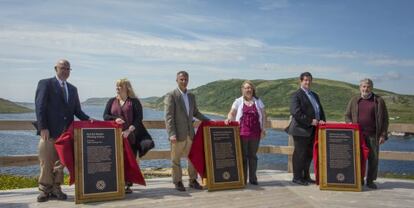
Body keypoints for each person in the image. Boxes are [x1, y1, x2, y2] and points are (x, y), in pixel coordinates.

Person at [35, 59, 91, 202]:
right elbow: (40, 106)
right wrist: (43, 127)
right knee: (46, 161)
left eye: (68, 69)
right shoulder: (45, 83)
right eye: (62, 68)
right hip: (49, 132)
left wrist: (89, 120)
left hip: (66, 133)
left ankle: (56, 188)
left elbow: (77, 111)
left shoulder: (73, 89)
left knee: (60, 163)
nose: (65, 71)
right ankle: (44, 189)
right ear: (56, 68)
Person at [164, 71, 210, 191]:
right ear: (177, 80)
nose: (184, 81)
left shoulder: (191, 96)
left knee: (192, 158)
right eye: (181, 79)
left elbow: (195, 113)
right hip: (177, 134)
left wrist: (209, 121)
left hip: (190, 134)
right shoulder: (171, 95)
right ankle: (178, 181)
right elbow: (168, 117)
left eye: (186, 79)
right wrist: (171, 134)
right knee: (175, 160)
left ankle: (193, 180)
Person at [103, 78, 146, 194]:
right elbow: (105, 116)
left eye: (120, 86)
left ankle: (127, 184)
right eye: (117, 86)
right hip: (114, 137)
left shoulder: (134, 102)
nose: (117, 88)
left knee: (129, 160)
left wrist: (128, 131)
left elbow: (138, 119)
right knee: (115, 160)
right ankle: (116, 183)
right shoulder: (111, 101)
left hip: (130, 136)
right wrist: (114, 119)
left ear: (127, 88)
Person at [345, 78, 389, 189]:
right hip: (357, 136)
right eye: (364, 86)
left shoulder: (378, 100)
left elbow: (385, 119)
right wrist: (350, 123)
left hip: (373, 135)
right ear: (360, 87)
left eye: (368, 86)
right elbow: (347, 115)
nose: (366, 89)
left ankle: (370, 180)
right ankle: (359, 179)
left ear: (371, 88)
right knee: (358, 158)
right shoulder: (354, 100)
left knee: (373, 159)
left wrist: (383, 135)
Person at [287, 72, 326, 186]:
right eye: (305, 80)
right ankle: (297, 177)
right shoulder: (296, 95)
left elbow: (320, 110)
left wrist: (322, 119)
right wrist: (310, 121)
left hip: (313, 130)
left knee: (309, 154)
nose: (307, 82)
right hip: (301, 130)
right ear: (301, 81)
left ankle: (306, 176)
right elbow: (295, 112)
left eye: (309, 80)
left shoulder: (315, 95)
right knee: (300, 154)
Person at [225, 80, 266, 185]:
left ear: (253, 90)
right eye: (246, 88)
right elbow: (232, 112)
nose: (248, 90)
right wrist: (229, 118)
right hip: (242, 133)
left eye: (250, 88)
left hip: (255, 133)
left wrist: (263, 129)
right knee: (243, 156)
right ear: (242, 90)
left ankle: (253, 178)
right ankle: (243, 179)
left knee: (253, 156)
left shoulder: (258, 101)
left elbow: (264, 115)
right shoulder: (238, 101)